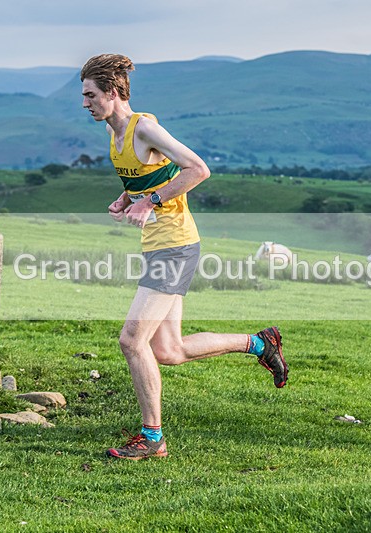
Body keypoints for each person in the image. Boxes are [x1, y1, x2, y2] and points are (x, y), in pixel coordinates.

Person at [80, 54, 289, 460]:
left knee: (131, 340)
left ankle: (152, 437)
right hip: (162, 245)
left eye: (90, 95)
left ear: (112, 91)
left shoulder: (146, 128)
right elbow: (148, 174)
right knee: (169, 350)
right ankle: (259, 344)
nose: (84, 103)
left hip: (174, 246)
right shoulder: (114, 132)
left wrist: (150, 202)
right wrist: (129, 197)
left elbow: (197, 169)